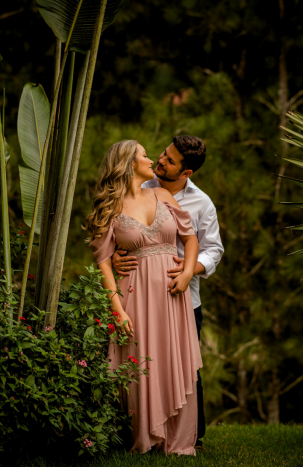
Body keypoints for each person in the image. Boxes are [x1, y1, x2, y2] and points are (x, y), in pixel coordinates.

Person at [85, 140, 203, 456]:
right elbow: (103, 264)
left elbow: (191, 241)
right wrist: (117, 310)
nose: (153, 159)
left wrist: (188, 272)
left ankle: (177, 441)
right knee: (139, 362)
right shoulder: (110, 206)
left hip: (172, 296)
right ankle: (144, 436)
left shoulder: (163, 195)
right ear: (127, 163)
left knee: (170, 358)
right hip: (133, 295)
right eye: (144, 155)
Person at [112, 135, 223, 451]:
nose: (161, 160)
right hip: (140, 295)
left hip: (183, 297)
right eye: (162, 153)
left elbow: (212, 248)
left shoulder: (201, 203)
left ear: (186, 172)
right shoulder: (140, 186)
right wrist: (117, 255)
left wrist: (190, 271)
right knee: (143, 362)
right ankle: (140, 429)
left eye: (170, 161)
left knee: (185, 365)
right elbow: (114, 234)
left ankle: (191, 435)